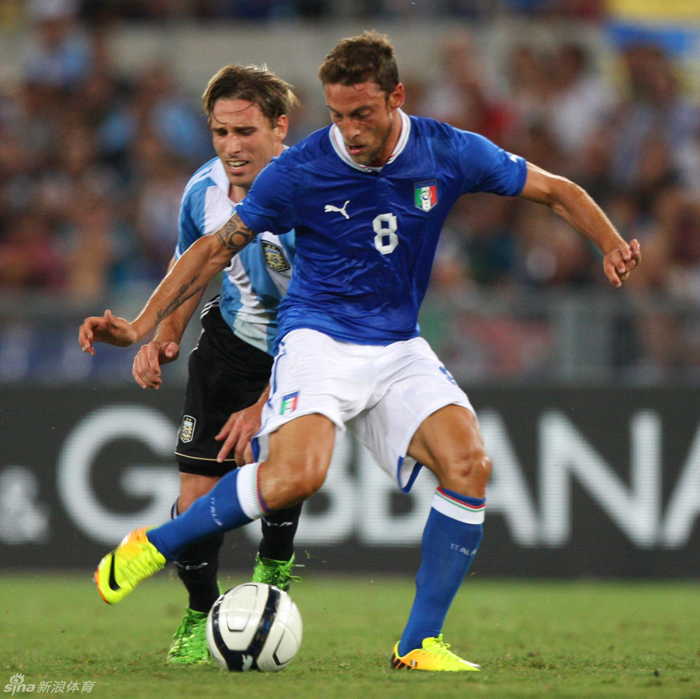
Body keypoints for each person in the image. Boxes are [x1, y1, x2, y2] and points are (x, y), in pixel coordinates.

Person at [84, 32, 641, 671]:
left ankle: (418, 644)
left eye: (362, 114)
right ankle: (153, 544)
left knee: (470, 465)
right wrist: (141, 325)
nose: (348, 130)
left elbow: (554, 190)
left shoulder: (447, 150)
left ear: (395, 96)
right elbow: (214, 249)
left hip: (397, 345)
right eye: (337, 115)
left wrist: (611, 243)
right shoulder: (300, 170)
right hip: (317, 338)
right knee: (299, 474)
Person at [79, 64, 303, 665]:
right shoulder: (202, 190)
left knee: (283, 479)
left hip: (306, 352)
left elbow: (318, 317)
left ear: (280, 128)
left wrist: (265, 405)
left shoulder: (312, 195)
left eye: (246, 131)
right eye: (220, 132)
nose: (232, 146)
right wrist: (165, 335)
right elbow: (193, 268)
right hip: (229, 348)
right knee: (197, 498)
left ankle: (275, 570)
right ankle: (202, 607)